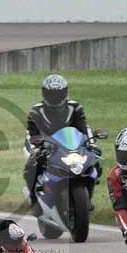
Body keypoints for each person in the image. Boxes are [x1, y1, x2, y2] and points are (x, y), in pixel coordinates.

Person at [23, 73, 101, 215]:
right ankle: (34, 199)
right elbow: (31, 133)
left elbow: (84, 128)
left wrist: (92, 143)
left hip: (69, 143)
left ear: (65, 92)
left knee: (94, 159)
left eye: (58, 94)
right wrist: (36, 147)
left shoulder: (75, 107)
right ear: (44, 93)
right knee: (32, 165)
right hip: (43, 145)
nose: (55, 97)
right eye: (51, 94)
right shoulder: (36, 111)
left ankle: (88, 198)